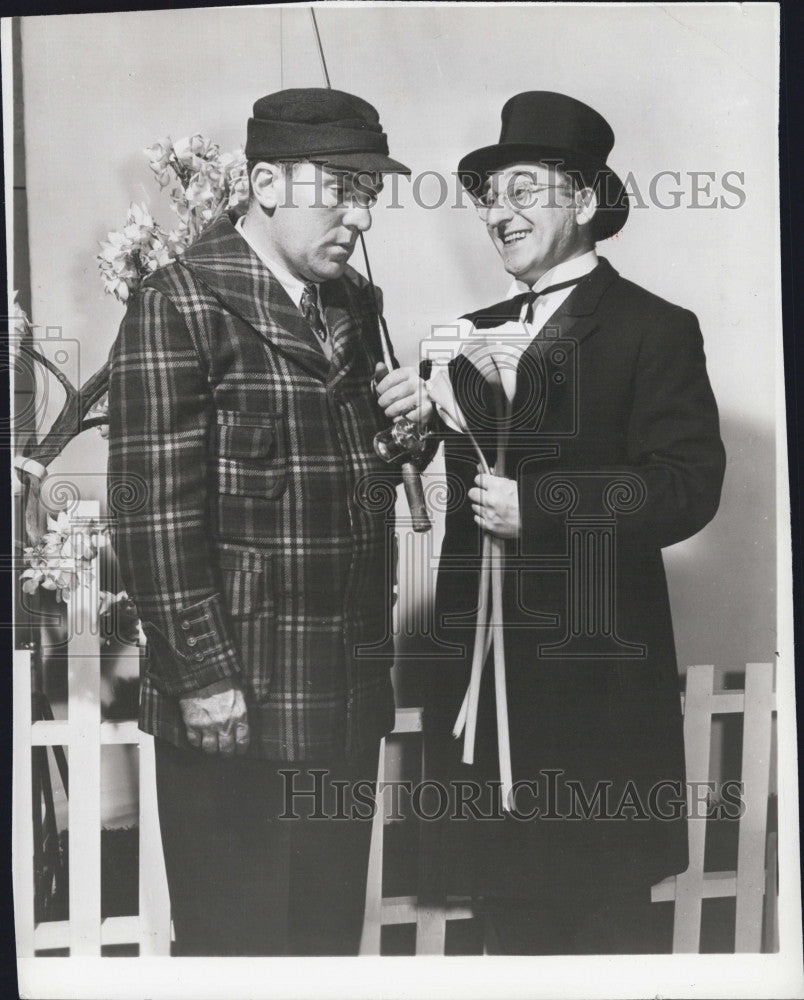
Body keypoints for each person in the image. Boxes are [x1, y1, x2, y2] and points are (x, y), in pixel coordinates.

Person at [106, 88, 429, 956]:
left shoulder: (354, 307)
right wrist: (203, 677)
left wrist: (409, 437)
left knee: (326, 948)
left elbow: (353, 483)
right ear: (266, 182)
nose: (360, 216)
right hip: (234, 704)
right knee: (234, 950)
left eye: (370, 195)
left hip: (345, 702)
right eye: (341, 190)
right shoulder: (178, 305)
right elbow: (151, 519)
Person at [409, 91, 726, 954]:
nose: (498, 214)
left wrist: (542, 506)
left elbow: (687, 486)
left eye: (523, 190)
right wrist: (401, 427)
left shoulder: (654, 328)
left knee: (603, 938)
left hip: (596, 715)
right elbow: (430, 487)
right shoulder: (461, 338)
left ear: (584, 201)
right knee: (506, 941)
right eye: (488, 197)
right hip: (482, 711)